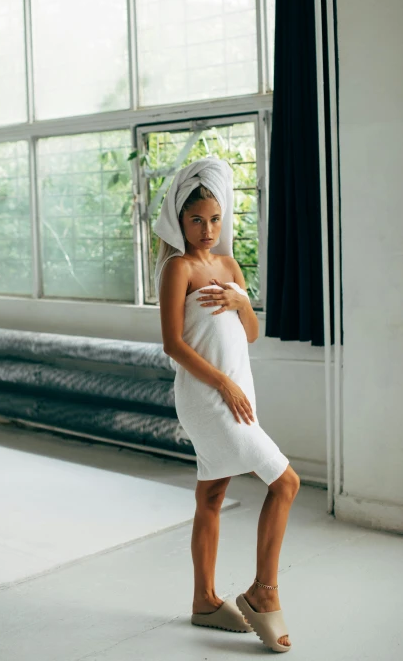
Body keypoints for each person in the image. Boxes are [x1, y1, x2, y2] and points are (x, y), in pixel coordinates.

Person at [154, 156, 300, 653]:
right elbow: (173, 344)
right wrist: (223, 386)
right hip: (208, 395)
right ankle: (264, 592)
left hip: (239, 390)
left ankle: (204, 601)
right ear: (180, 218)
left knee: (211, 497)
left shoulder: (229, 265)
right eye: (197, 220)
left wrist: (244, 304)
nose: (207, 229)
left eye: (214, 218)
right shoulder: (179, 267)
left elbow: (250, 335)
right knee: (286, 482)